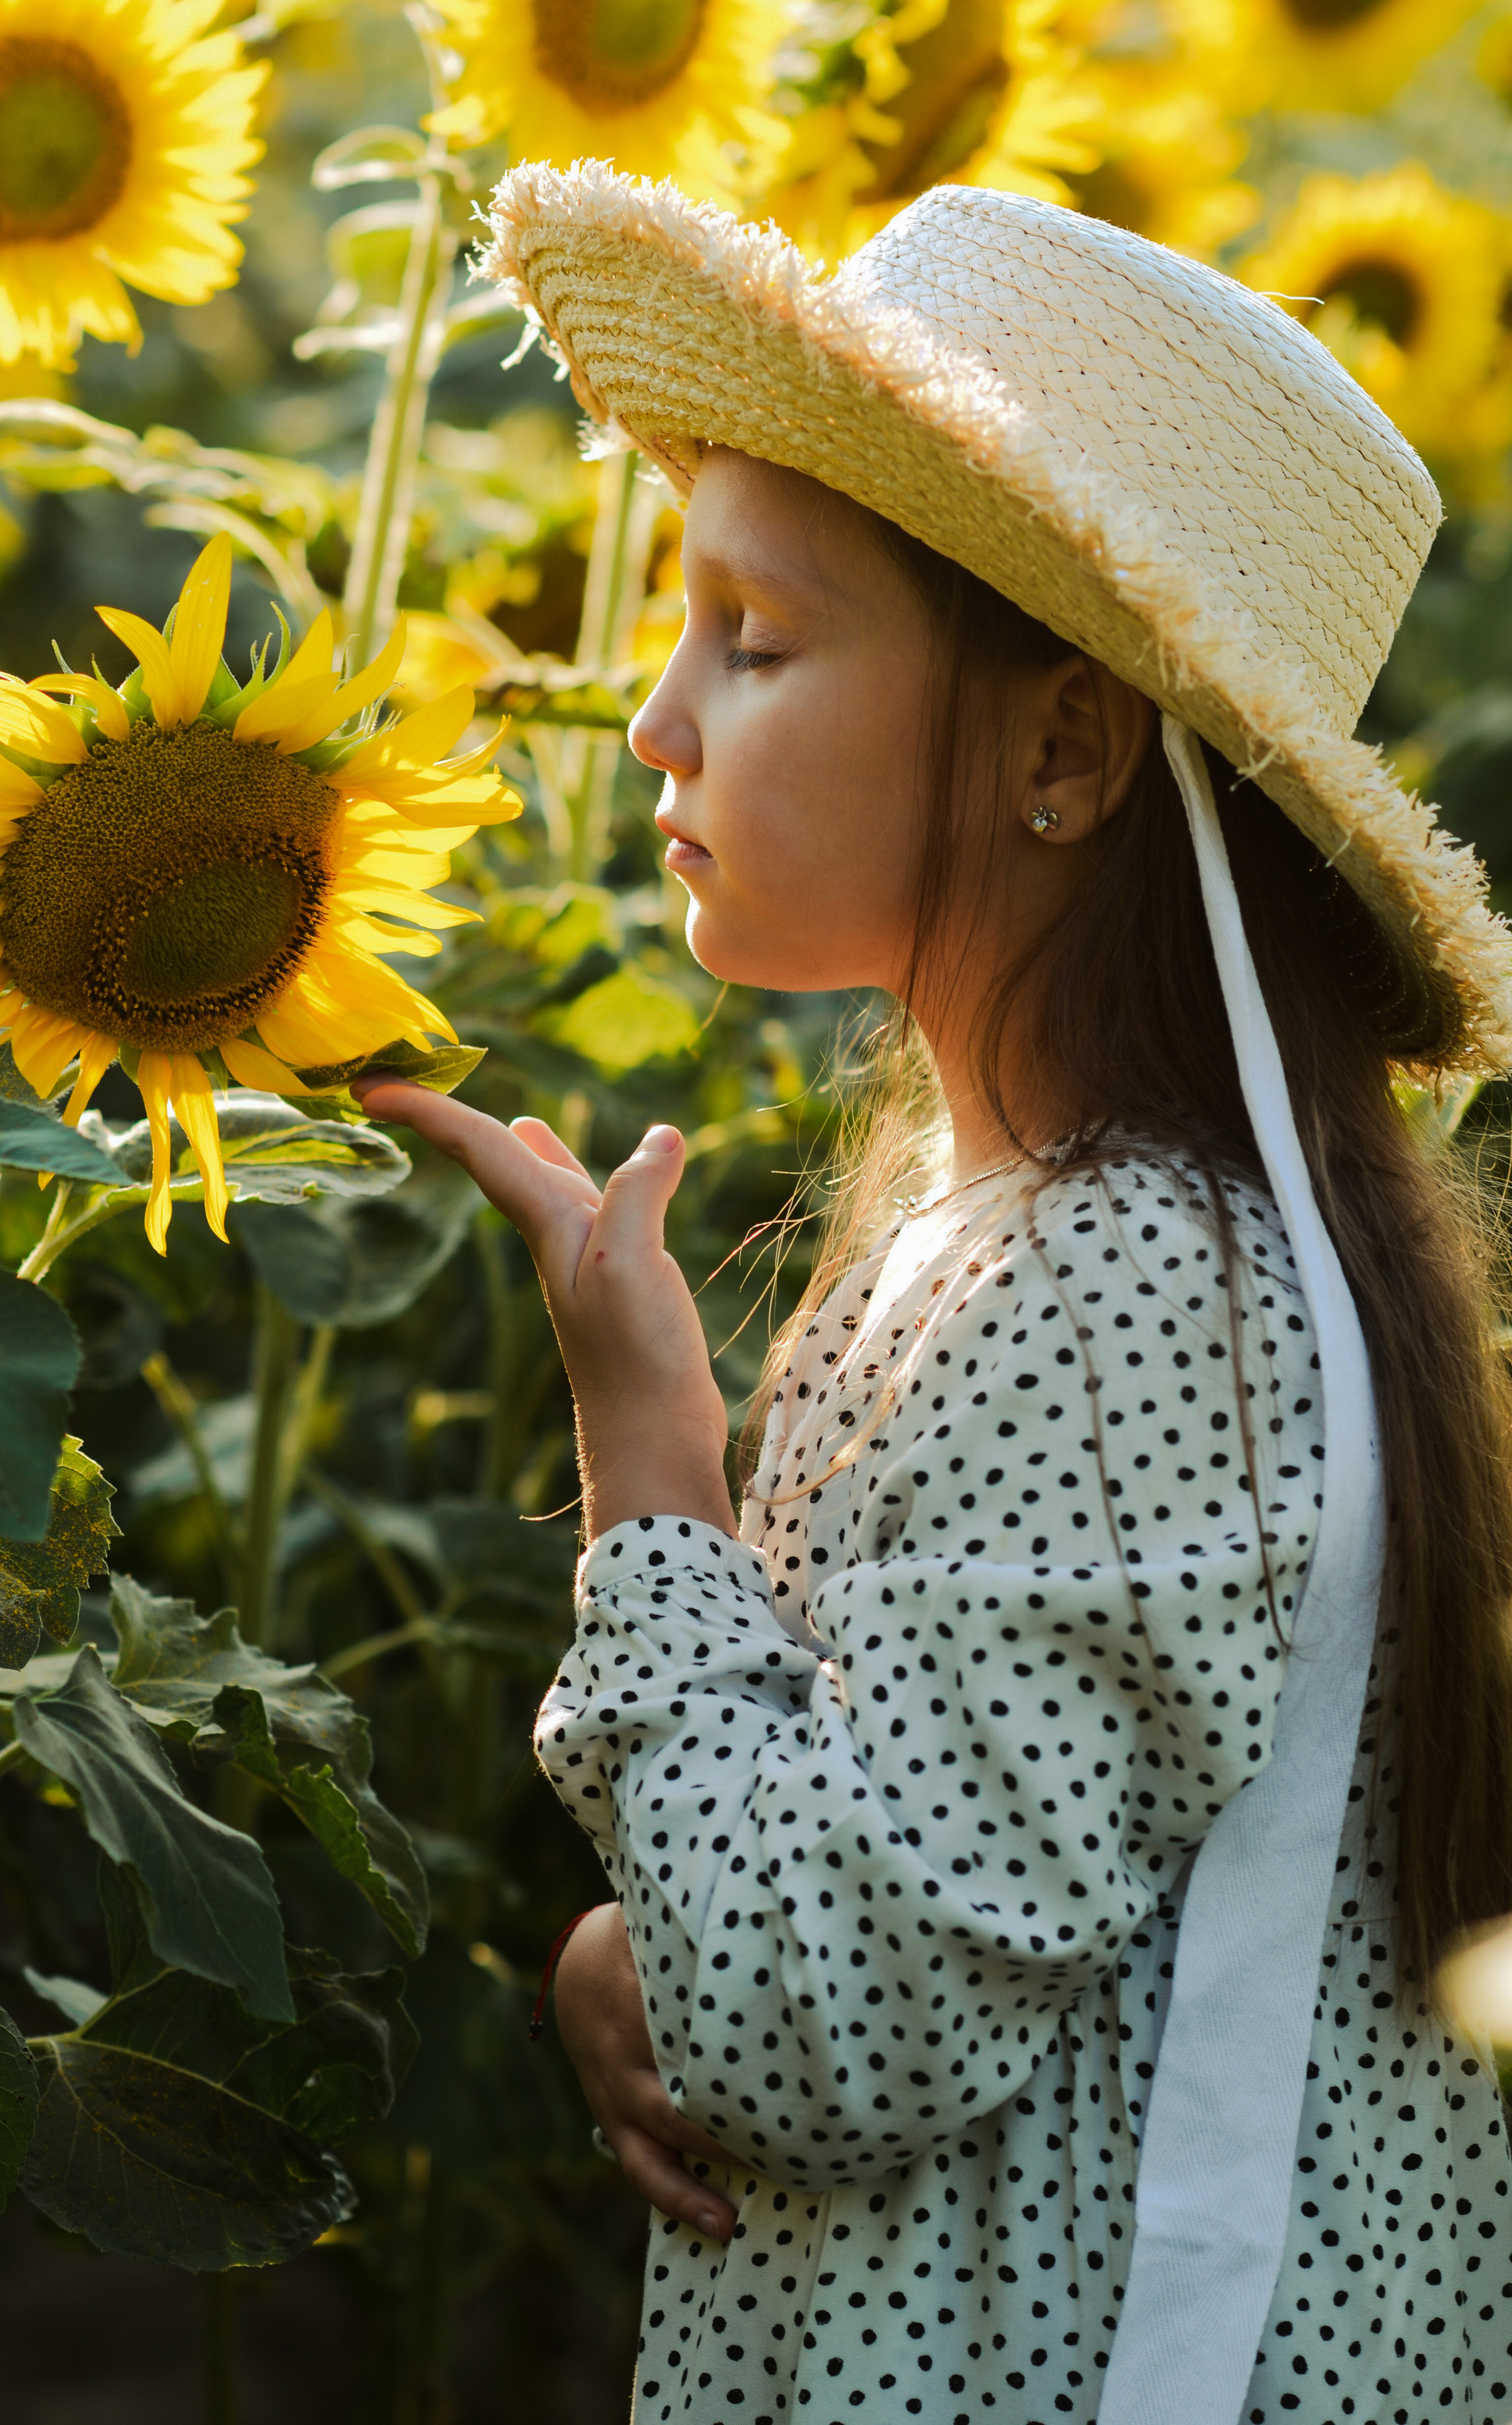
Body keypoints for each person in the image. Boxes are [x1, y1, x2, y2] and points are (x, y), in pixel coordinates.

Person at [356, 164, 1512, 2424]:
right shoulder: (1061, 1233)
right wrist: (636, 1961)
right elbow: (879, 1887)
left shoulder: (1116, 1289)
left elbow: (827, 2024)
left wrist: (652, 1483)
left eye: (755, 638)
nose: (659, 722)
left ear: (1065, 750)